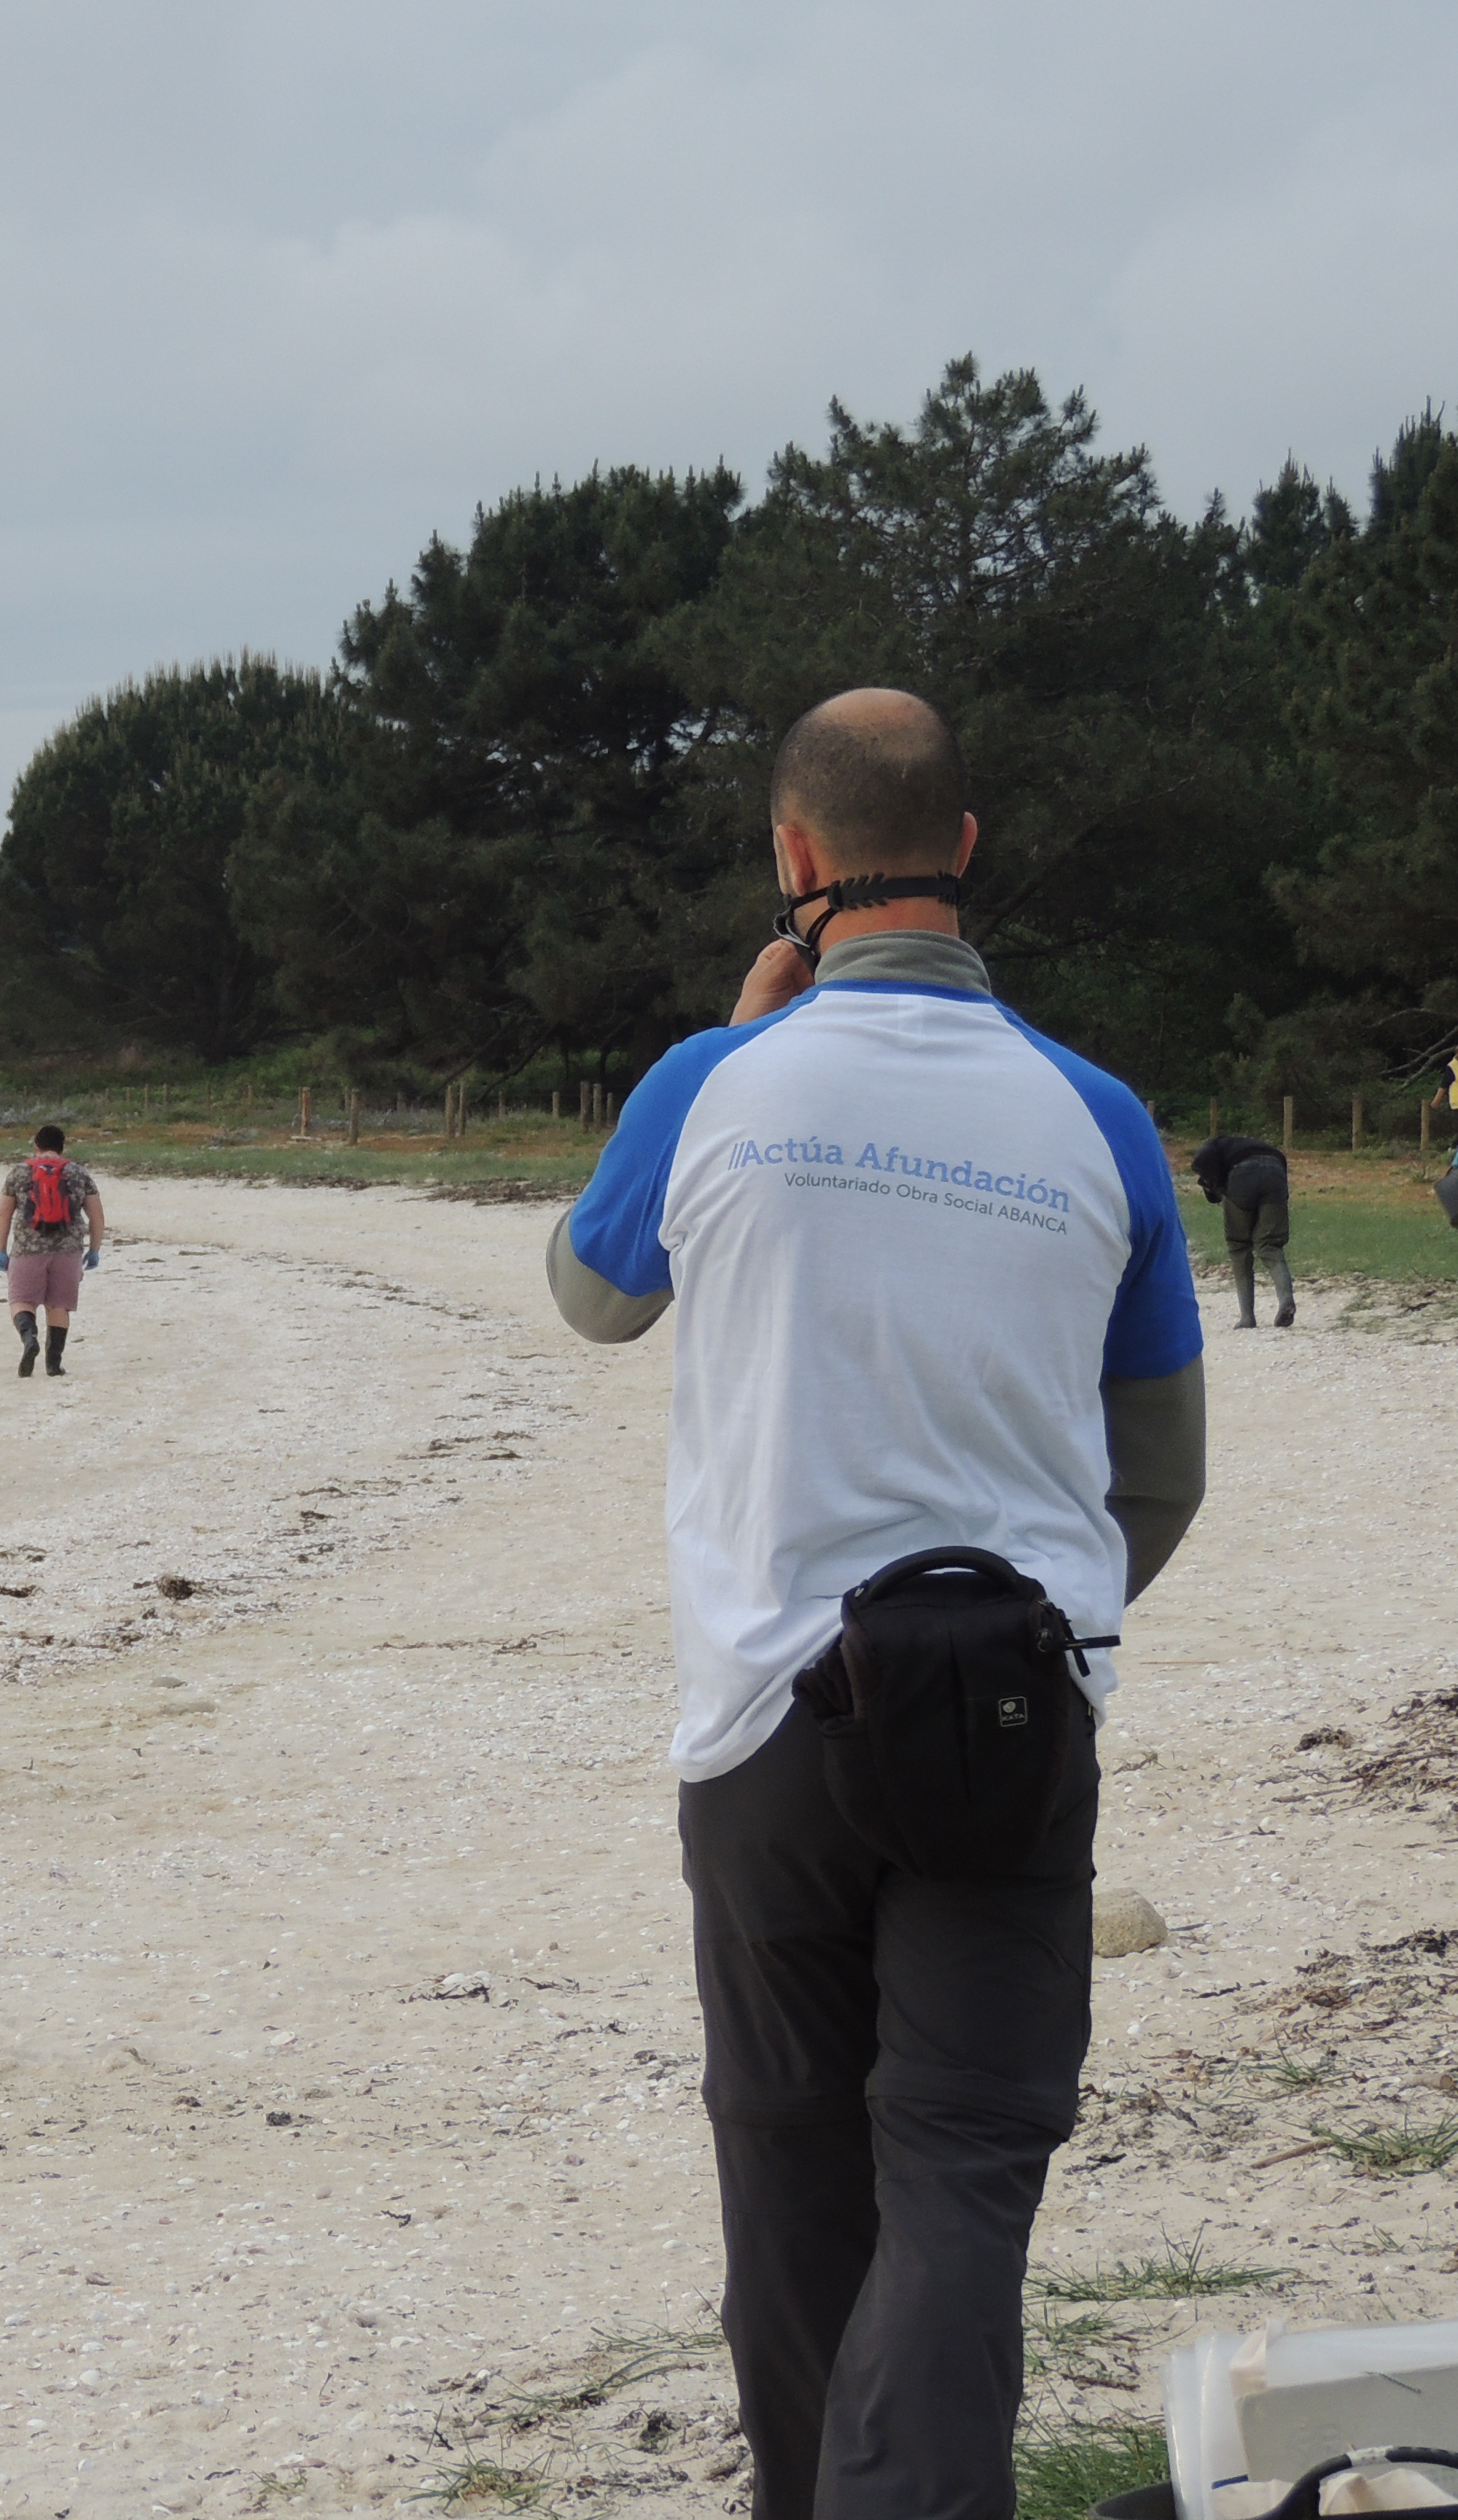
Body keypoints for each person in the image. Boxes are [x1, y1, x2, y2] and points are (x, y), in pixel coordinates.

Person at [547, 689, 1204, 2520]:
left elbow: (593, 1301)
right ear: (967, 850)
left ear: (794, 855)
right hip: (1009, 1709)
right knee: (964, 2164)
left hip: (769, 1713)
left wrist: (726, 1040)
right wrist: (1063, 1633)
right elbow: (1160, 1475)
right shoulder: (1102, 1118)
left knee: (788, 2168)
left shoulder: (710, 1083)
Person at [0, 1125, 106, 1377]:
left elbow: (3, 1215)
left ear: (36, 1146)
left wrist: (0, 1249)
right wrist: (94, 1249)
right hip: (68, 1250)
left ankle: (29, 1337)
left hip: (27, 1248)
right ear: (62, 1147)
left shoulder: (20, 1172)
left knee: (21, 1300)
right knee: (59, 1305)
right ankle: (54, 1364)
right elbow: (97, 1216)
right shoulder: (78, 1172)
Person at [1188, 1131, 1294, 1329]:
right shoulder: (1250, 1146)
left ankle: (1247, 1317)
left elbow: (1202, 1161)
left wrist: (1215, 1186)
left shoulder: (1214, 1146)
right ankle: (1286, 1300)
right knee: (1270, 1245)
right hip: (1276, 1174)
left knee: (1239, 1247)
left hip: (1242, 1176)